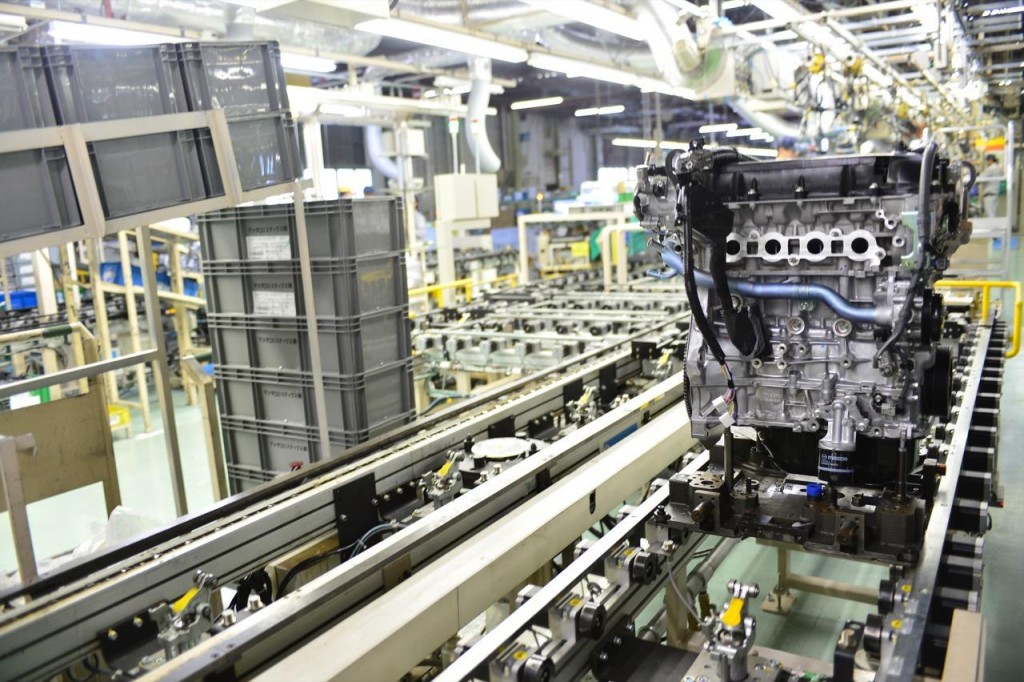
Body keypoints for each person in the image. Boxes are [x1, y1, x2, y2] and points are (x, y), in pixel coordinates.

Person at [979, 154, 1002, 218]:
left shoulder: (991, 168)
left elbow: (981, 178)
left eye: (987, 161)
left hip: (989, 195)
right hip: (994, 194)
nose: (986, 162)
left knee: (990, 215)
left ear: (991, 160)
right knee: (992, 214)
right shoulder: (997, 167)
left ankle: (993, 225)